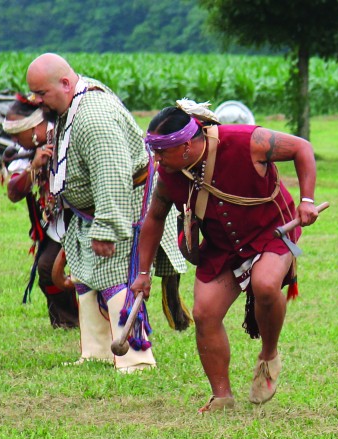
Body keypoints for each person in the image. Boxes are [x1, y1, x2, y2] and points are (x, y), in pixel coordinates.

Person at [131, 103, 319, 412]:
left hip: (272, 231)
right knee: (204, 312)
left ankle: (268, 356)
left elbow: (302, 148)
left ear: (188, 146)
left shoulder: (248, 142)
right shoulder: (169, 174)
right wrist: (142, 273)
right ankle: (222, 396)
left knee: (266, 284)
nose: (157, 160)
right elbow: (154, 219)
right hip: (222, 245)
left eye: (162, 152)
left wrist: (307, 200)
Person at [26, 53, 185, 373]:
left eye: (41, 93)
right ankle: (96, 352)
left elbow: (111, 175)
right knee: (87, 280)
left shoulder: (94, 118)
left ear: (66, 83)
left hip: (118, 210)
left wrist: (106, 228)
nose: (36, 100)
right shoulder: (74, 104)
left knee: (118, 283)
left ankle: (135, 358)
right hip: (90, 213)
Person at [1, 95, 79, 329]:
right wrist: (34, 167)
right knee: (47, 268)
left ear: (36, 127)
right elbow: (14, 192)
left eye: (19, 132)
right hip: (56, 220)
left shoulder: (70, 135)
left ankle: (101, 320)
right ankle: (67, 322)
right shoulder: (23, 152)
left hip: (87, 215)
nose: (14, 139)